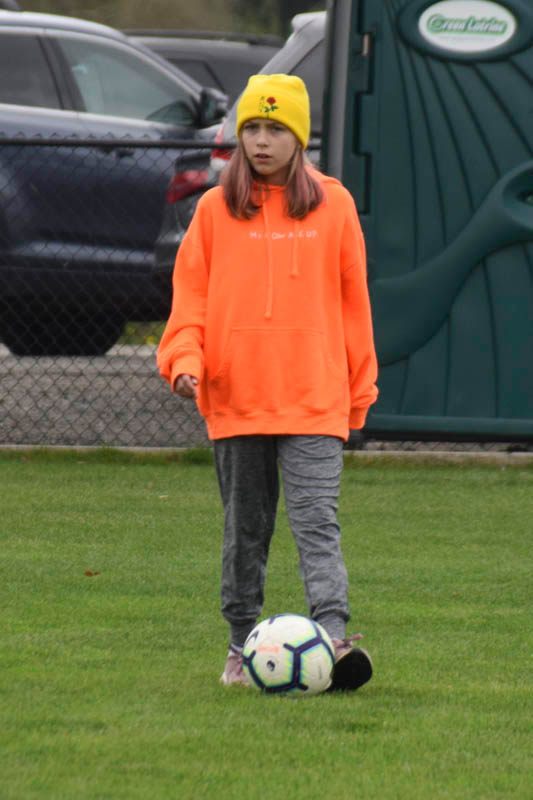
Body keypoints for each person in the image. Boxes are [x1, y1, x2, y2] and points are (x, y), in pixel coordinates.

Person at [157, 74, 378, 691]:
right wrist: (184, 361)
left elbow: (354, 305)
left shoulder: (334, 206)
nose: (260, 141)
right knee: (244, 534)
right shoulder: (212, 208)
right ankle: (238, 644)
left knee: (317, 525)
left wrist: (359, 390)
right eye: (251, 127)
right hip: (237, 399)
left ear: (298, 137)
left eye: (275, 129)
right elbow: (190, 300)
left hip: (314, 398)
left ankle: (333, 641)